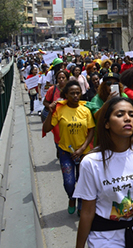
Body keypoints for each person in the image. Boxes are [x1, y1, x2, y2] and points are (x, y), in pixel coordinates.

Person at [73, 97, 133, 248]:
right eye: (120, 114)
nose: (127, 118)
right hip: (106, 238)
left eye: (131, 114)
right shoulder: (91, 163)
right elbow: (87, 211)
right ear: (107, 123)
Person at [42, 80, 95, 215]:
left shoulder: (85, 110)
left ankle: (82, 203)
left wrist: (82, 149)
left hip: (83, 153)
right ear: (66, 94)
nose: (76, 96)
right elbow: (47, 128)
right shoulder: (60, 110)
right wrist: (51, 111)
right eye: (72, 93)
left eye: (78, 93)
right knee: (69, 182)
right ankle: (72, 197)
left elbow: (91, 131)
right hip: (66, 151)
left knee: (83, 181)